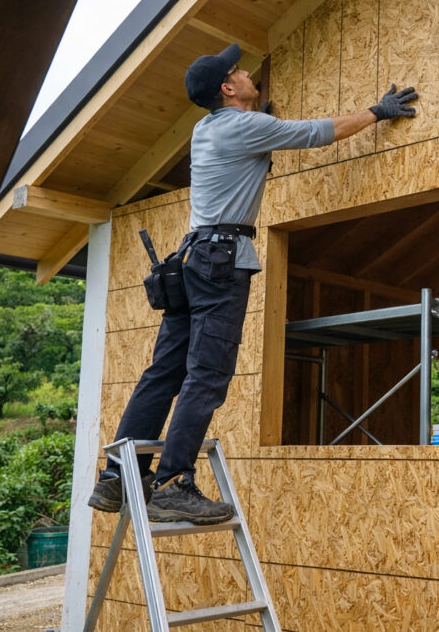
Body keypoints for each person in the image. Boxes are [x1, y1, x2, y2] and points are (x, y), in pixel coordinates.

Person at [88, 43, 417, 523]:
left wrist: (262, 118)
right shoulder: (245, 127)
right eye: (239, 72)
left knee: (164, 373)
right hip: (223, 262)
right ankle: (172, 482)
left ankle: (118, 478)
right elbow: (318, 133)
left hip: (192, 261)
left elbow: (259, 128)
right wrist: (376, 111)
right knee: (208, 374)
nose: (247, 74)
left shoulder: (208, 128)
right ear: (227, 88)